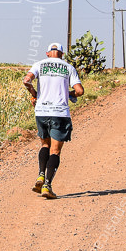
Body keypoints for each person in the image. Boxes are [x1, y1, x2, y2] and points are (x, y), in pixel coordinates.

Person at [23, 42, 83, 199]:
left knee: (44, 144)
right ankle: (47, 186)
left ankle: (41, 175)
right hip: (60, 113)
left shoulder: (39, 64)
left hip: (41, 112)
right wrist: (69, 94)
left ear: (48, 53)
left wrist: (34, 93)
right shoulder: (68, 67)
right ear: (62, 54)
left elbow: (26, 80)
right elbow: (80, 91)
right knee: (55, 150)